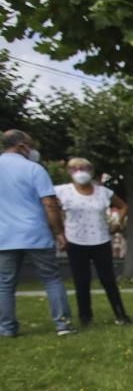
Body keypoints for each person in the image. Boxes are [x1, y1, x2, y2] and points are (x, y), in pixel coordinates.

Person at [0, 129, 75, 337]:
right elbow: (49, 203)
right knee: (51, 279)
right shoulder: (33, 169)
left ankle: (6, 328)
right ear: (22, 146)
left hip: (4, 236)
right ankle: (63, 324)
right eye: (30, 145)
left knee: (4, 284)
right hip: (35, 233)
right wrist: (59, 232)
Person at [54, 157, 132, 326]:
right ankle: (85, 318)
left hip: (101, 240)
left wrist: (117, 223)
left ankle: (121, 314)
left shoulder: (103, 192)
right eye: (75, 168)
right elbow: (50, 208)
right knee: (81, 281)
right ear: (69, 172)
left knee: (108, 280)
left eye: (84, 168)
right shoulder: (62, 191)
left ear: (91, 171)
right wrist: (59, 232)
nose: (80, 172)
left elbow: (123, 206)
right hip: (76, 241)